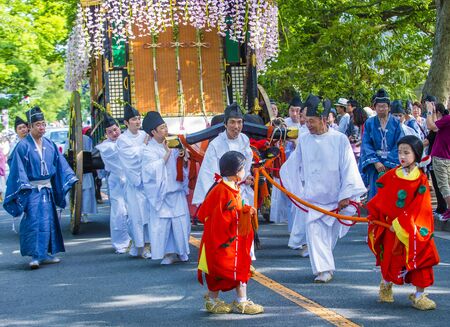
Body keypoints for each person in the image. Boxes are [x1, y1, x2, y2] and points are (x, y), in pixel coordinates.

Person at [280, 94, 366, 283]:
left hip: (336, 198)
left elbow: (349, 167)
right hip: (313, 199)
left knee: (328, 237)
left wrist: (346, 195)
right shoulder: (304, 140)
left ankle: (325, 264)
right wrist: (285, 180)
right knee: (314, 231)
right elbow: (293, 165)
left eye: (311, 121)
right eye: (306, 121)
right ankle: (323, 270)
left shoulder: (340, 139)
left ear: (324, 119)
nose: (308, 125)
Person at [367, 135, 439, 310]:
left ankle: (420, 295)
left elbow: (421, 206)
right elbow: (380, 199)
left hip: (412, 227)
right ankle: (385, 286)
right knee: (389, 257)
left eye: (407, 152)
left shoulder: (421, 180)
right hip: (390, 227)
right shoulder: (391, 175)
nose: (402, 156)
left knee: (422, 257)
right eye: (400, 152)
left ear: (416, 155)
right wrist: (377, 216)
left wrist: (402, 223)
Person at [3, 106, 77, 269]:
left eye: (43, 124)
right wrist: (24, 188)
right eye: (38, 124)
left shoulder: (49, 144)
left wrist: (69, 177)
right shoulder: (23, 146)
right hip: (31, 189)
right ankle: (35, 256)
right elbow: (17, 169)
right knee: (33, 222)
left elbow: (59, 165)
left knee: (49, 221)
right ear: (30, 126)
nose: (42, 127)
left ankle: (46, 254)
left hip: (47, 189)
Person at [197, 151, 263, 315]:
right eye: (242, 168)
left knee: (220, 271)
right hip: (225, 241)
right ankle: (240, 302)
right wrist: (245, 212)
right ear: (235, 172)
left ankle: (214, 300)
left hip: (226, 240)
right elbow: (226, 217)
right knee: (232, 269)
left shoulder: (228, 187)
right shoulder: (223, 191)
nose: (244, 172)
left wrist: (245, 211)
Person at [141, 111, 190, 264]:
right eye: (161, 128)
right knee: (164, 226)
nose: (165, 130)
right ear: (153, 132)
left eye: (165, 126)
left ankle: (182, 251)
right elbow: (150, 171)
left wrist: (185, 158)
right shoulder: (148, 150)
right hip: (161, 194)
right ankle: (168, 254)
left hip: (176, 191)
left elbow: (183, 166)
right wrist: (167, 155)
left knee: (181, 223)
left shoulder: (174, 143)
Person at [193, 103, 254, 206]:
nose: (236, 126)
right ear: (225, 124)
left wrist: (247, 176)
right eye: (232, 122)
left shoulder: (244, 140)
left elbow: (246, 166)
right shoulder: (215, 145)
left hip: (241, 191)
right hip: (223, 192)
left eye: (239, 122)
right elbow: (208, 174)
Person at [117, 104, 151, 259]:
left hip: (149, 181)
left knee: (149, 214)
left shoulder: (145, 134)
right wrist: (144, 148)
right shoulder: (122, 140)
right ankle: (140, 245)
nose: (137, 122)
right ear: (126, 122)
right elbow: (130, 160)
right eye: (133, 119)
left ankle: (150, 244)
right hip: (134, 182)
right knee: (136, 215)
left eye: (138, 118)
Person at [359, 89, 404, 201]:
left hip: (392, 165)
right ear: (375, 107)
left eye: (384, 106)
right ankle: (374, 218)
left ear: (389, 107)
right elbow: (366, 143)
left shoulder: (395, 123)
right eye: (379, 106)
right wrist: (376, 162)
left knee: (391, 194)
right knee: (375, 193)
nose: (381, 109)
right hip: (375, 164)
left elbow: (400, 143)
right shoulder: (369, 123)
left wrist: (389, 163)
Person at [96, 113, 130, 254]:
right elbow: (117, 157)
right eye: (110, 132)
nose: (114, 133)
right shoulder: (105, 147)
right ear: (106, 134)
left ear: (120, 129)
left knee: (134, 209)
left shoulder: (127, 140)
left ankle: (137, 240)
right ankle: (120, 243)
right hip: (116, 179)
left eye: (115, 130)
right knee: (119, 211)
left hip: (131, 179)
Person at [427, 101, 450, 221]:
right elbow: (436, 126)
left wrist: (430, 111)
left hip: (441, 157)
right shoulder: (446, 119)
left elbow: (431, 126)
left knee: (443, 185)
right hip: (446, 157)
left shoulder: (448, 119)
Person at [80, 127, 97, 222]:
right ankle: (82, 213)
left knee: (86, 193)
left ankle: (84, 213)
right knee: (85, 193)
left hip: (86, 169)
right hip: (78, 170)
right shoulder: (86, 139)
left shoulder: (87, 139)